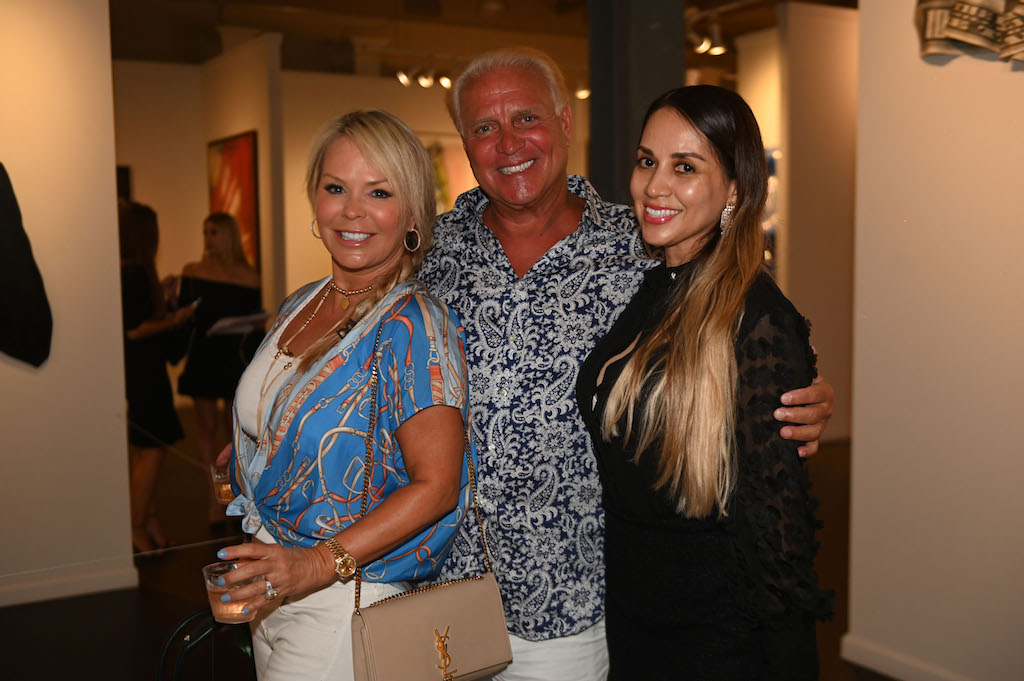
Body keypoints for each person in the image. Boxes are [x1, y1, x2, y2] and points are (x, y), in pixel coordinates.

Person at [419, 48, 835, 680]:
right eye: (484, 127)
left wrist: (796, 396)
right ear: (464, 143)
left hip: (582, 611)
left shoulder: (639, 245)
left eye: (526, 118)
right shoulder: (427, 254)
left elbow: (735, 322)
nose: (507, 143)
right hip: (446, 596)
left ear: (565, 122)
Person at [576, 85, 833, 680]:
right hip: (636, 621)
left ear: (735, 189)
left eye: (685, 167)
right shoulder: (653, 289)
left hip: (716, 642)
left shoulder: (757, 318)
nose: (654, 186)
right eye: (648, 161)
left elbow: (778, 542)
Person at [215, 110, 474, 681]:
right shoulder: (301, 302)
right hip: (272, 581)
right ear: (315, 199)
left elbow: (437, 486)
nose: (352, 210)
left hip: (344, 600)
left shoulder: (413, 324)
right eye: (336, 188)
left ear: (412, 213)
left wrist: (316, 562)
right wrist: (250, 456)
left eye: (378, 192)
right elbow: (297, 414)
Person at [118, 200, 194, 554]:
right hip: (145, 375)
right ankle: (135, 526)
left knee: (145, 452)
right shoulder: (134, 273)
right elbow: (134, 330)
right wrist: (173, 321)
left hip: (141, 372)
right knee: (151, 452)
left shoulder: (130, 273)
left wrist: (160, 296)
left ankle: (150, 523)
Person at [176, 212, 262, 525]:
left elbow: (256, 323)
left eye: (214, 232)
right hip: (203, 356)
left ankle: (237, 494)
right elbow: (183, 317)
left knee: (235, 431)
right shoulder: (193, 272)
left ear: (228, 236)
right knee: (206, 430)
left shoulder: (249, 277)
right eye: (205, 232)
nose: (208, 239)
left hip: (233, 359)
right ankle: (217, 500)